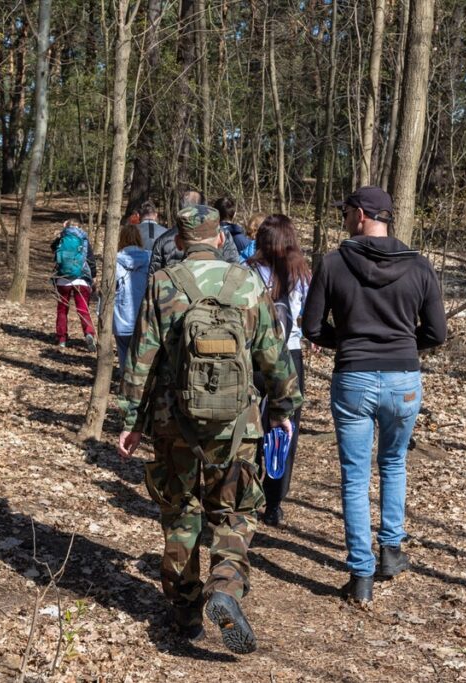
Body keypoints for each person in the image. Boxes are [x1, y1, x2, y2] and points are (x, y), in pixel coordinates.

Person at [118, 205, 302, 654]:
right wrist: (283, 407)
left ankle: (185, 612)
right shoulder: (247, 283)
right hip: (237, 425)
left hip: (172, 423)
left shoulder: (163, 284)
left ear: (179, 242)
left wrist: (131, 421)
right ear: (220, 238)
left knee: (180, 513)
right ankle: (225, 587)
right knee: (234, 511)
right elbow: (272, 355)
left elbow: (142, 358)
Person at [302, 186, 446, 604]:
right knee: (394, 463)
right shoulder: (419, 266)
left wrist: (349, 340)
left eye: (346, 211)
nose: (343, 217)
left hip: (354, 378)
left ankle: (361, 575)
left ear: (362, 214)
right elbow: (437, 332)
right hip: (403, 380)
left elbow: (311, 327)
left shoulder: (332, 263)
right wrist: (399, 344)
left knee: (355, 475)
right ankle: (390, 551)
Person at [246, 214, 311, 526]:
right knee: (285, 429)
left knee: (249, 425)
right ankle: (275, 502)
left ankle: (247, 491)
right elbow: (308, 316)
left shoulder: (249, 272)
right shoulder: (301, 273)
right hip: (290, 356)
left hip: (254, 357)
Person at [148, 189, 241, 273]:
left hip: (176, 290)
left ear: (181, 208)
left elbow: (153, 281)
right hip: (216, 289)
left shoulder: (163, 240)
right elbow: (235, 270)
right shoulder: (221, 235)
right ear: (204, 208)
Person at [52, 220, 98, 351]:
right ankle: (89, 333)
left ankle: (61, 338)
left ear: (67, 226)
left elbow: (54, 251)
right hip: (81, 279)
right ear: (79, 227)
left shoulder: (62, 238)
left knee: (62, 309)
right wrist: (93, 277)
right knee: (83, 309)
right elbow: (91, 260)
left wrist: (61, 233)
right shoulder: (84, 240)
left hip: (63, 279)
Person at [114, 223, 151, 372]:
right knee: (141, 356)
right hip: (143, 316)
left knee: (123, 353)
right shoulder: (149, 257)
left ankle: (124, 385)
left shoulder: (114, 260)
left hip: (120, 316)